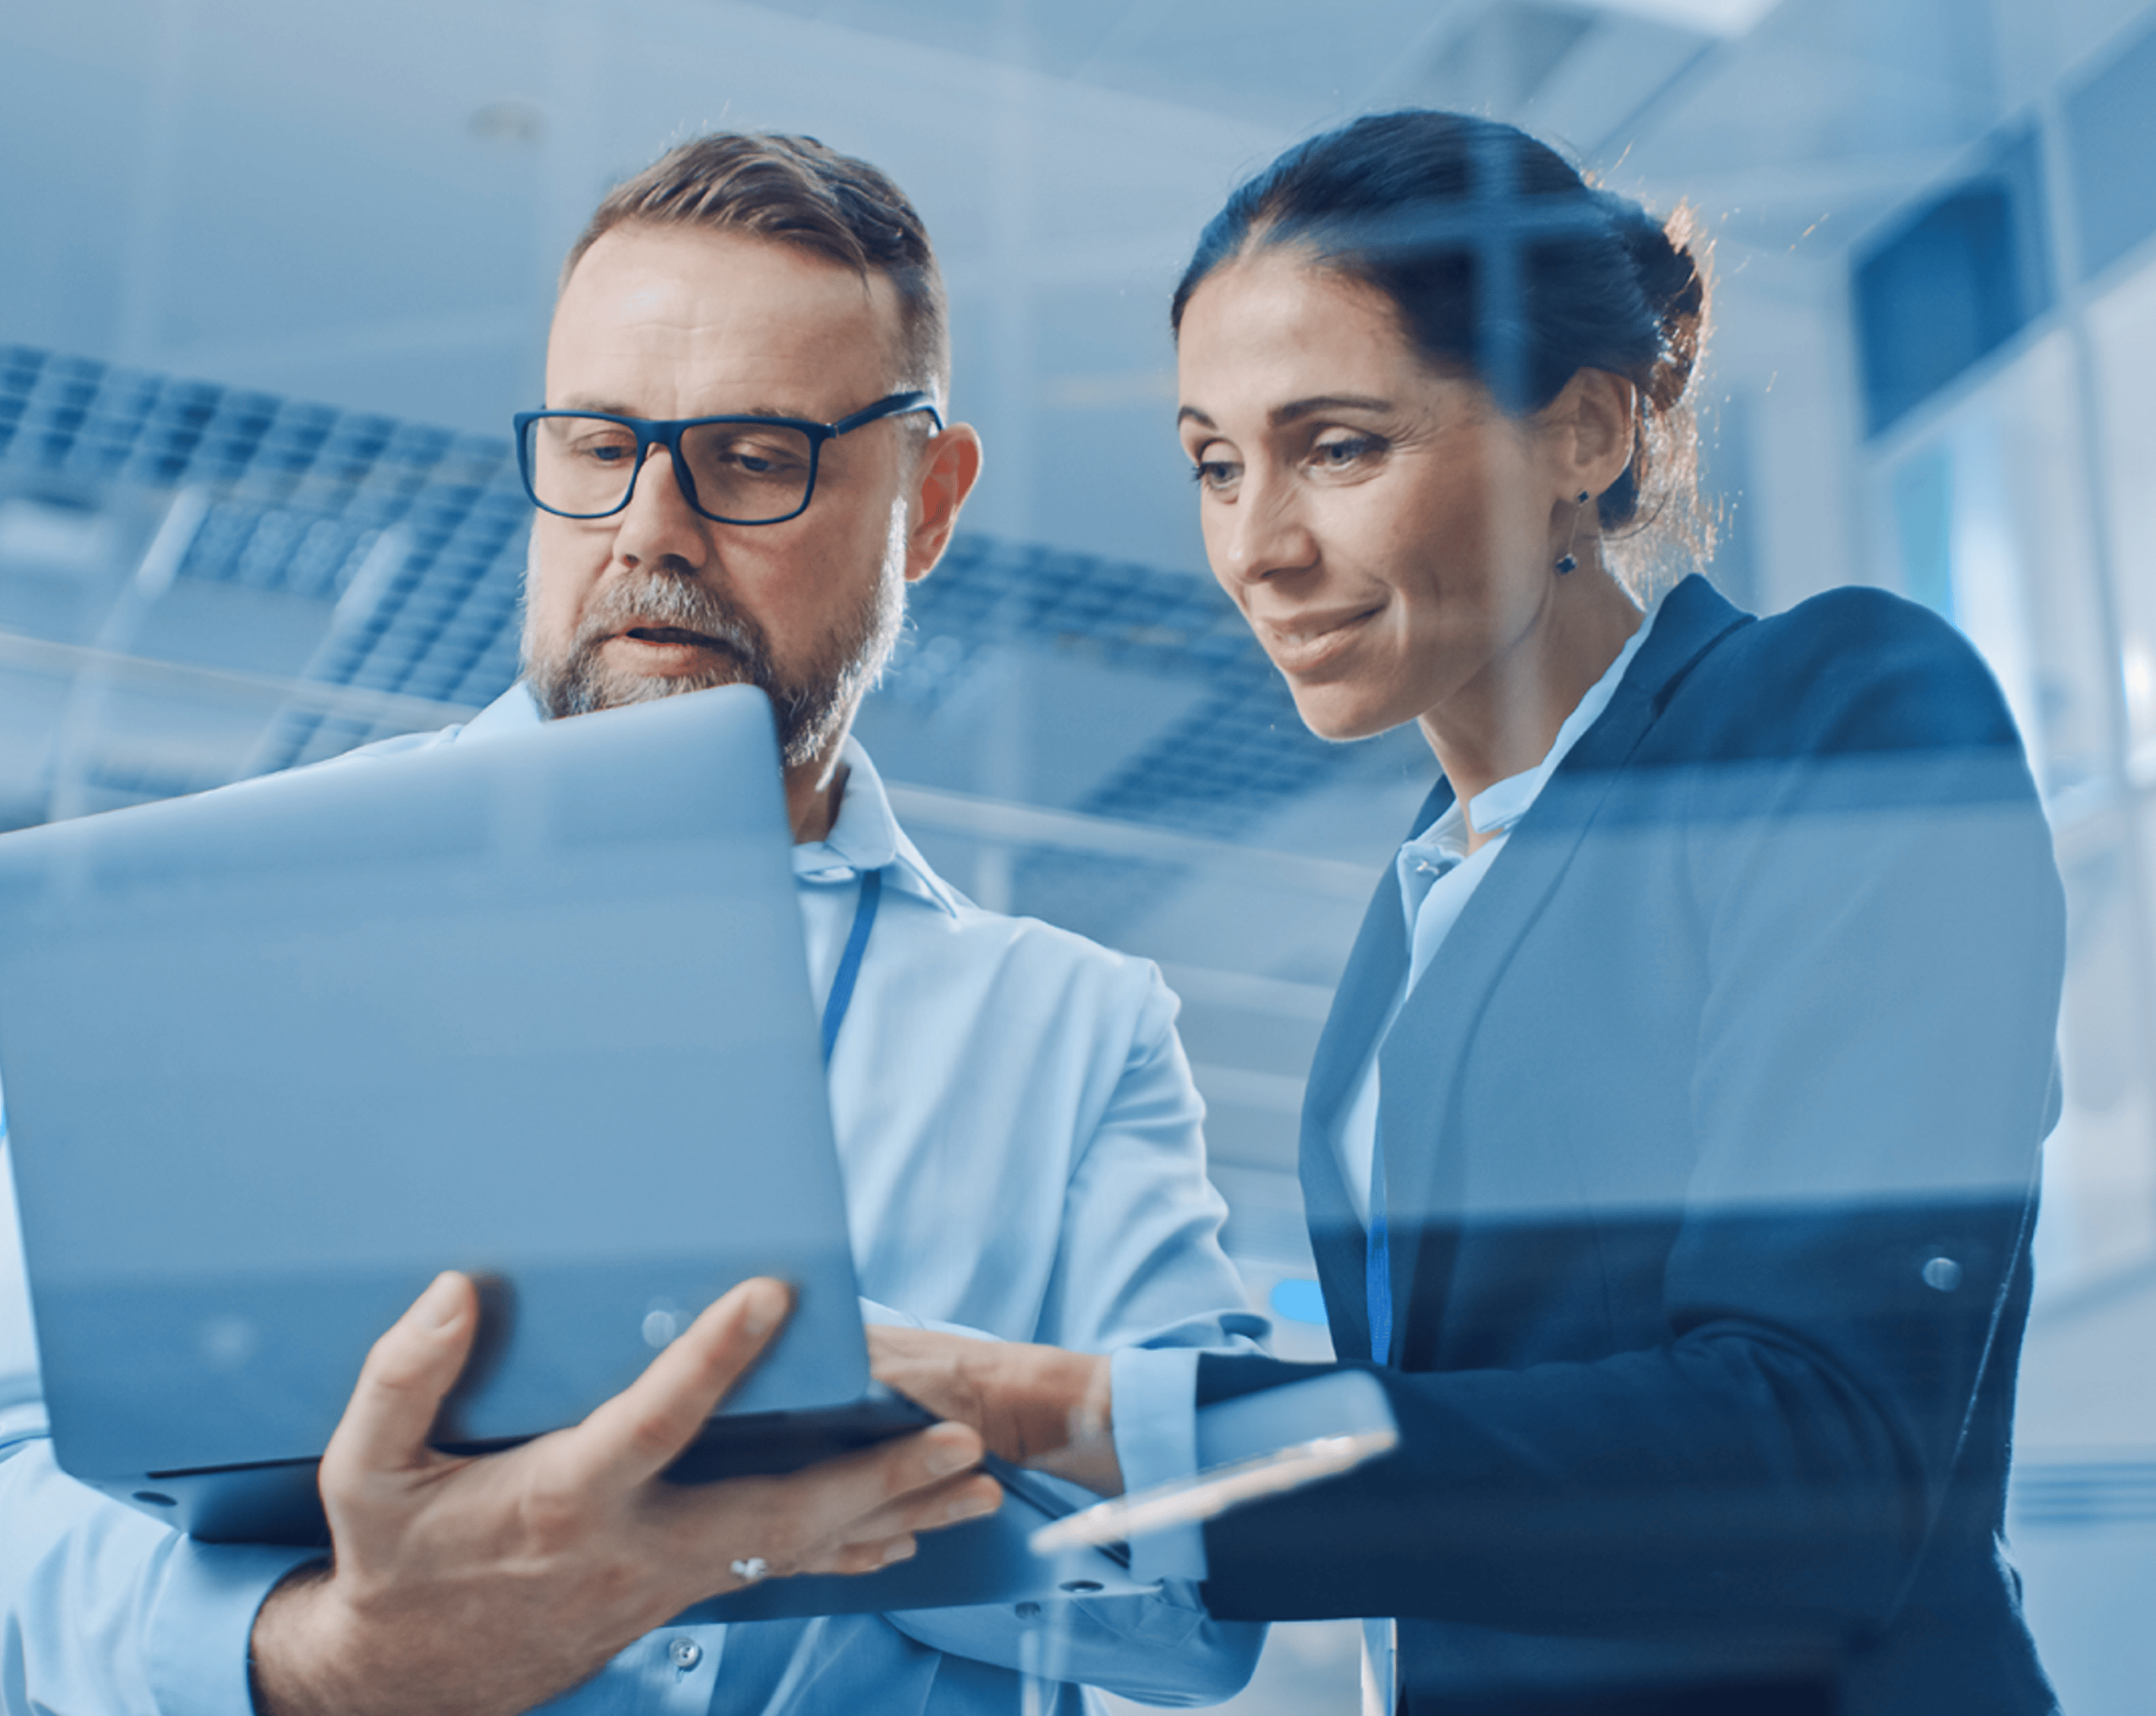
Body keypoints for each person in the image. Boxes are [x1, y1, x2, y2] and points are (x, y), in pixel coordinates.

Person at [0, 132, 1267, 1716]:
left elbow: (1208, 1594)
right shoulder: (218, 925)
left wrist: (809, 1439)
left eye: (753, 458)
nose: (652, 529)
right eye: (596, 445)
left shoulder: (1073, 1029)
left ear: (925, 503)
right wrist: (334, 1657)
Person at [873, 109, 2068, 1715]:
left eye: (1339, 447)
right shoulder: (1416, 911)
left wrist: (1063, 1404)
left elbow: (1817, 1457)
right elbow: (1450, 1486)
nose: (1257, 546)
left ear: (1584, 433)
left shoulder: (1829, 712)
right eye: (1215, 464)